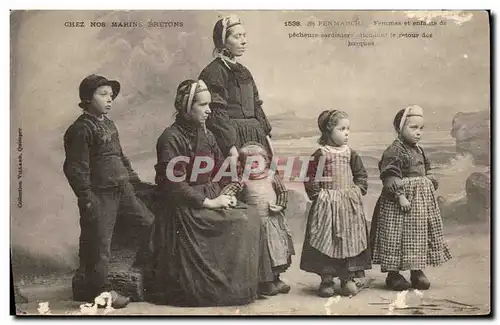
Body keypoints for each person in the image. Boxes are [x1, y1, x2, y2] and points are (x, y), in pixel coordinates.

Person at [151, 79, 261, 307]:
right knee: (237, 222)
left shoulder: (208, 134)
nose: (209, 110)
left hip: (208, 194)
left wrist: (229, 189)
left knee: (249, 216)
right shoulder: (170, 138)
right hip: (183, 205)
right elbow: (174, 184)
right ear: (186, 107)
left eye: (209, 105)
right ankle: (218, 288)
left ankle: (239, 284)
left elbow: (220, 168)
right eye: (202, 105)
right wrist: (209, 202)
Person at [63, 74, 155, 308]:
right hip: (100, 194)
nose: (109, 100)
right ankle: (102, 293)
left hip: (122, 188)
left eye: (111, 96)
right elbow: (75, 169)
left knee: (147, 220)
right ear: (86, 98)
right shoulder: (80, 129)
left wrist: (135, 182)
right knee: (99, 245)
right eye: (102, 95)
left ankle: (149, 270)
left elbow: (120, 158)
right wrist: (87, 199)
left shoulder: (109, 124)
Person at [371, 105, 452, 291]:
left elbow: (427, 167)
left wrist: (429, 179)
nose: (418, 133)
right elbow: (389, 175)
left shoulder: (419, 149)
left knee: (418, 235)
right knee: (396, 236)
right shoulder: (394, 151)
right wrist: (399, 195)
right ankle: (394, 275)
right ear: (400, 128)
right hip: (400, 203)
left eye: (421, 129)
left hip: (420, 203)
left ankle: (417, 271)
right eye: (413, 128)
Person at [300, 110, 371, 297]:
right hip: (327, 205)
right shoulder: (321, 154)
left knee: (349, 239)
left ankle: (347, 278)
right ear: (328, 131)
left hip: (347, 204)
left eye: (348, 129)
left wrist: (358, 189)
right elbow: (311, 178)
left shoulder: (350, 153)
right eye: (342, 128)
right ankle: (327, 279)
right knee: (328, 239)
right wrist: (319, 195)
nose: (347, 132)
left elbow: (361, 174)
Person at [220, 142, 295, 297]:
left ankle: (276, 279)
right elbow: (229, 191)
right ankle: (263, 283)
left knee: (276, 252)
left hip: (272, 222)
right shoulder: (242, 181)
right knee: (260, 254)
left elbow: (282, 192)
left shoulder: (271, 176)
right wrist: (226, 197)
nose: (253, 165)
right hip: (255, 226)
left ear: (265, 161)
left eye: (257, 161)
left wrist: (280, 206)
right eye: (249, 162)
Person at [199, 15, 273, 160]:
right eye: (237, 36)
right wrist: (231, 146)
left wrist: (266, 137)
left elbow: (256, 106)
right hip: (231, 137)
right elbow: (216, 112)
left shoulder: (244, 72)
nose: (244, 41)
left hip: (255, 136)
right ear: (223, 41)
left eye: (244, 36)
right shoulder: (213, 72)